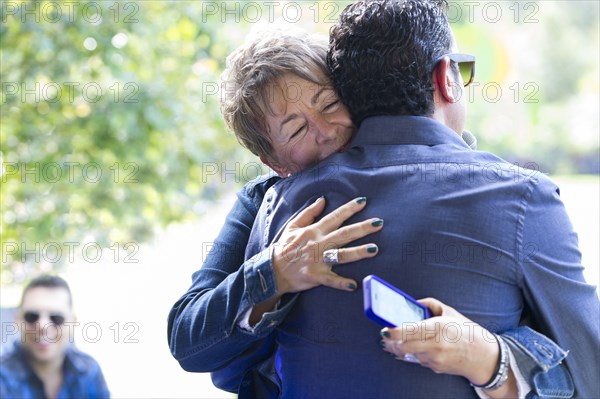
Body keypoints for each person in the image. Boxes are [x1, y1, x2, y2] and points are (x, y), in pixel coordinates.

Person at [168, 26, 578, 399]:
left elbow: (569, 357)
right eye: (296, 130)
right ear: (275, 162)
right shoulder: (266, 202)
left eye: (330, 104)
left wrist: (490, 358)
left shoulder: (488, 187)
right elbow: (191, 340)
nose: (325, 131)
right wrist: (273, 272)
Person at [0, 275, 110, 399]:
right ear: (17, 320)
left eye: (57, 318)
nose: (43, 326)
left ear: (73, 324)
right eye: (32, 316)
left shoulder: (89, 371)